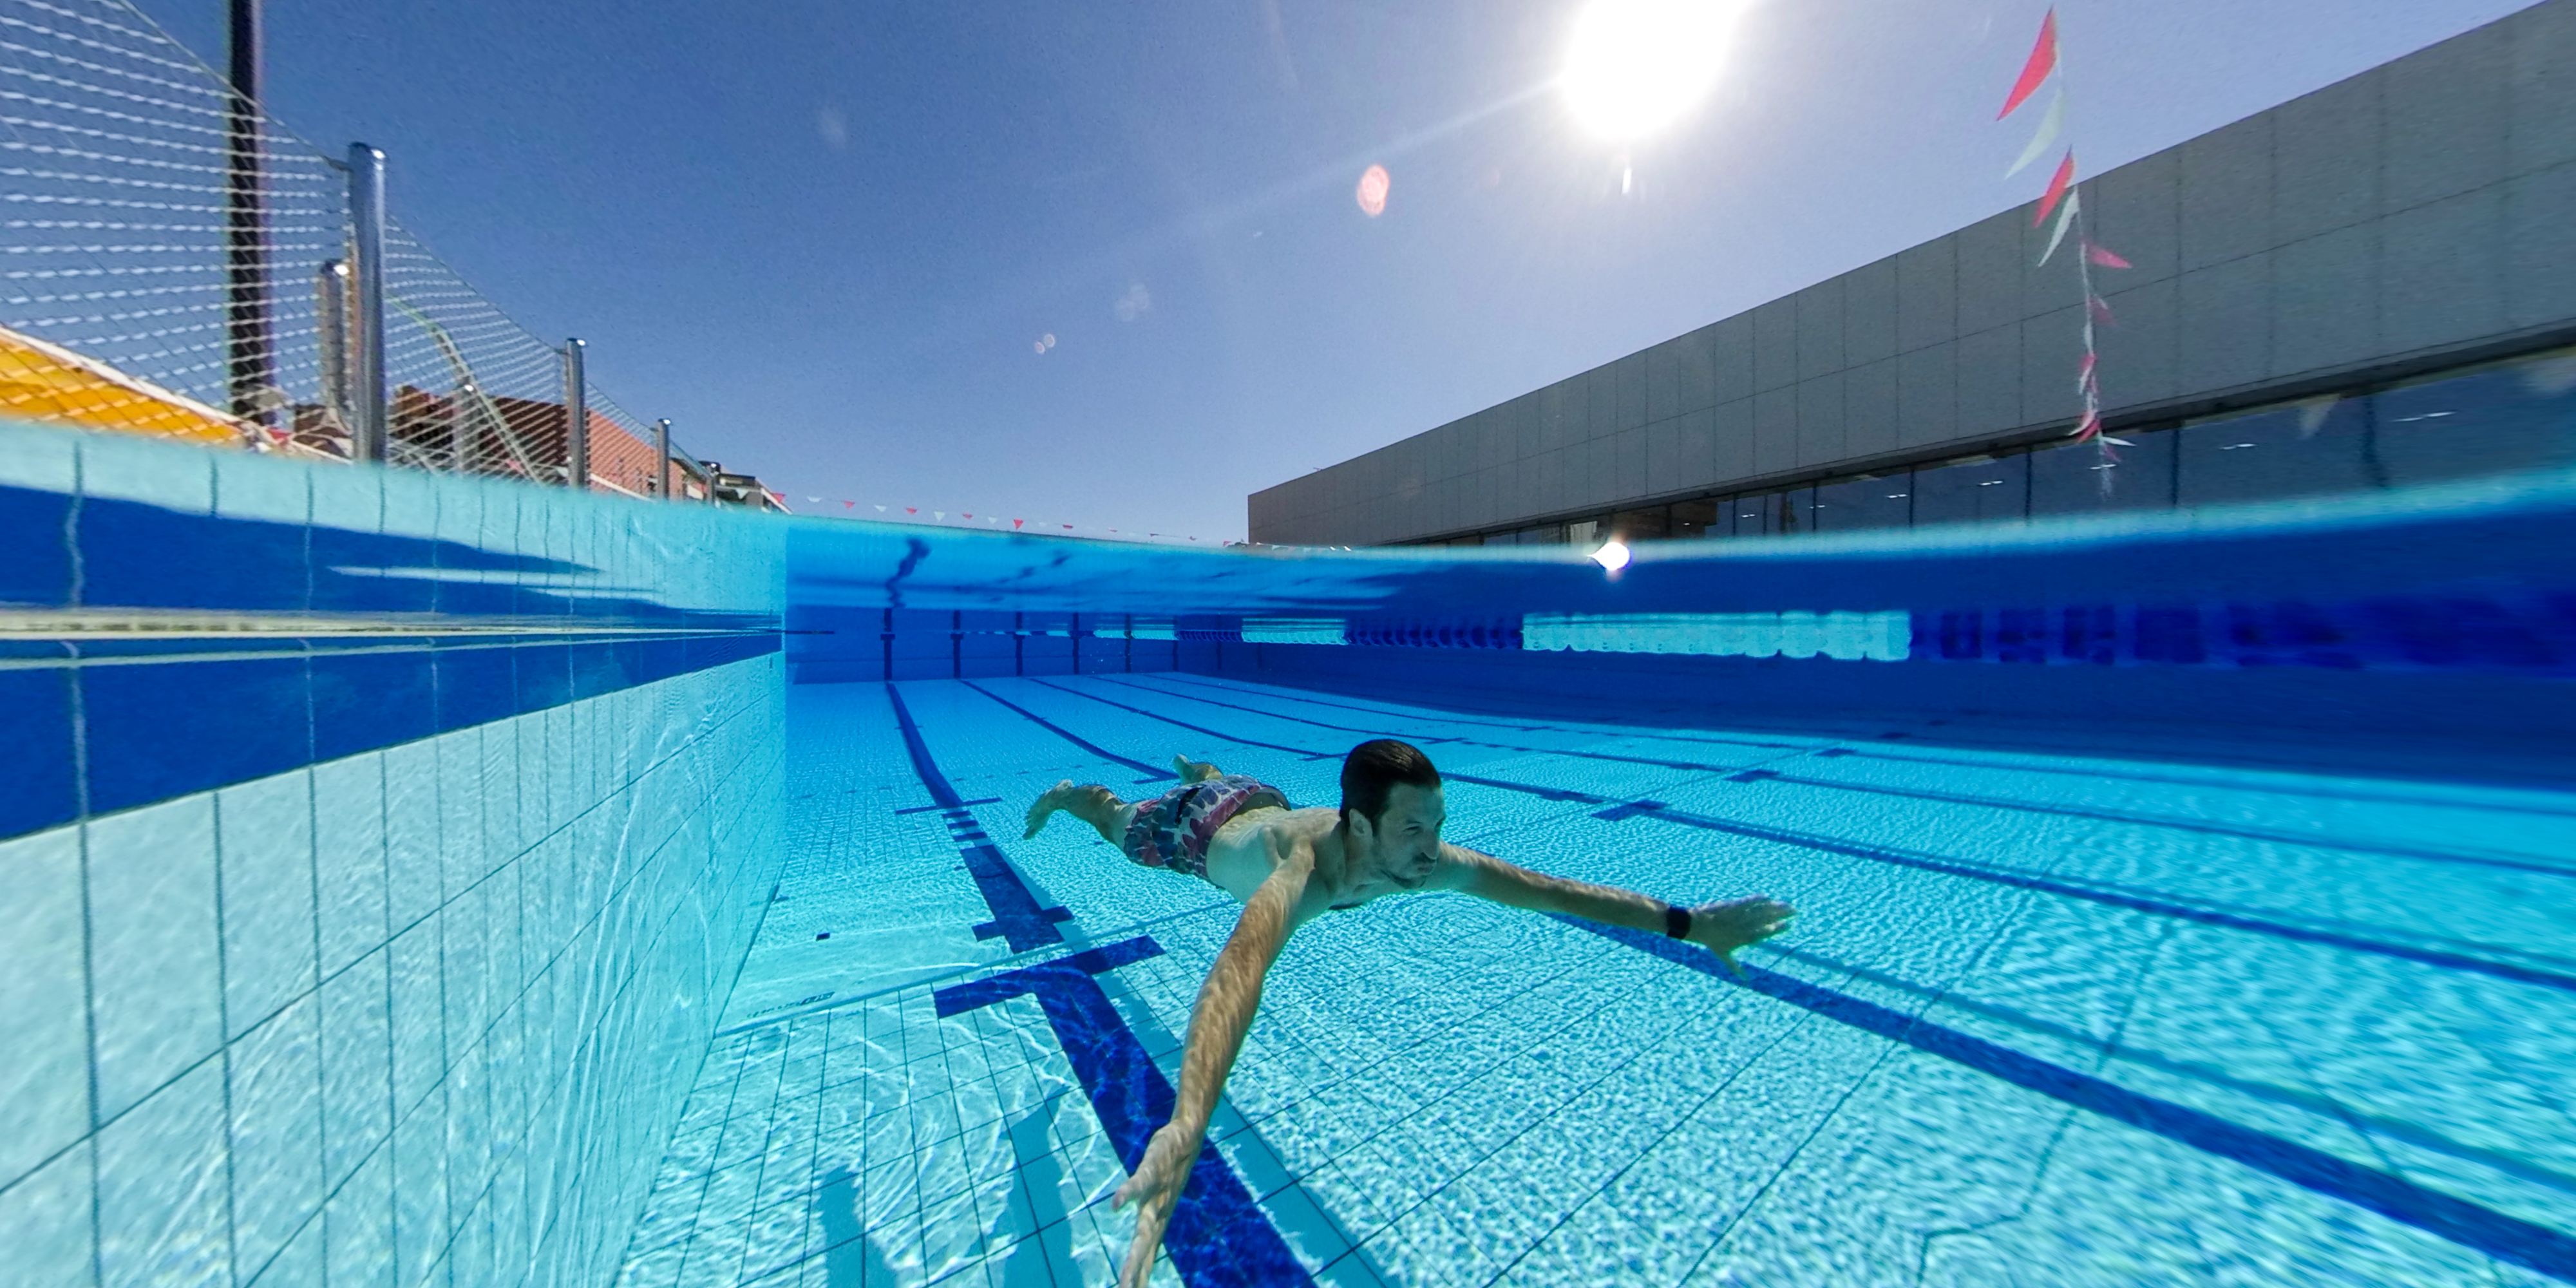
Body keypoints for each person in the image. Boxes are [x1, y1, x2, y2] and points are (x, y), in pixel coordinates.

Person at [1022, 738, 1796, 1286]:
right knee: (1118, 823)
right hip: (1203, 829)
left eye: (1437, 825)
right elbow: (1238, 972)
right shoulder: (1303, 873)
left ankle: (1213, 771)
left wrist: (1691, 924)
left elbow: (1553, 889)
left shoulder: (1421, 857)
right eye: (1413, 829)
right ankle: (1076, 794)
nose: (1431, 850)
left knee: (1244, 794)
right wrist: (1189, 1119)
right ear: (1360, 825)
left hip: (1261, 802)